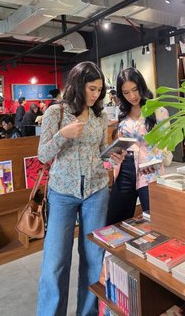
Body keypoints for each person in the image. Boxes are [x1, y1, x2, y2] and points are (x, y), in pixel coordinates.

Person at [36, 61, 125, 316]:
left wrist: (111, 159)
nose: (96, 94)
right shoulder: (56, 113)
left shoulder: (100, 116)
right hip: (62, 192)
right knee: (55, 262)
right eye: (92, 88)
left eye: (99, 89)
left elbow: (99, 153)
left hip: (96, 191)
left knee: (94, 258)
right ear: (78, 85)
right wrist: (63, 134)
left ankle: (87, 313)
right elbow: (43, 155)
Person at [106, 68, 172, 225]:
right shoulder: (122, 113)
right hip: (124, 169)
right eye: (126, 92)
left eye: (135, 90)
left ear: (141, 86)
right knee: (115, 221)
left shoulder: (158, 111)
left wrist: (157, 161)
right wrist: (114, 155)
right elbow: (122, 143)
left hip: (149, 170)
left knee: (155, 221)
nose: (132, 96)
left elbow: (166, 145)